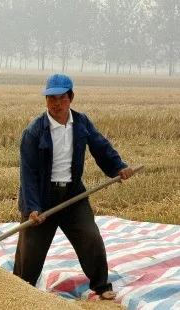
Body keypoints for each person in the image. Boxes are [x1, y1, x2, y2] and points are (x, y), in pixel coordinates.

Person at [13, 73, 134, 300]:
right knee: (30, 251)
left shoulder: (81, 123)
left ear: (71, 98)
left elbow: (101, 147)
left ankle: (101, 285)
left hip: (73, 194)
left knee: (91, 237)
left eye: (61, 98)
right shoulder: (34, 131)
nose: (56, 104)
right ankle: (20, 290)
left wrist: (119, 167)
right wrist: (32, 207)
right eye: (51, 99)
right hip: (41, 197)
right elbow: (27, 174)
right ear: (45, 100)